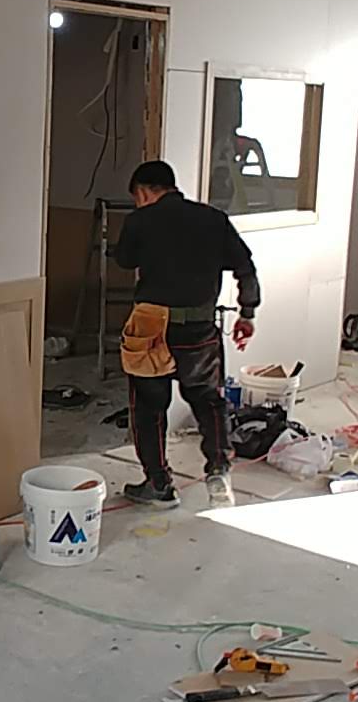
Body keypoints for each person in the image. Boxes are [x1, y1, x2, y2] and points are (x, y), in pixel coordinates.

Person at [110, 159, 260, 507]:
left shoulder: (140, 220)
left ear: (143, 192)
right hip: (199, 330)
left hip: (151, 329)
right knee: (209, 401)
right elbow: (245, 268)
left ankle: (159, 484)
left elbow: (124, 260)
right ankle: (218, 470)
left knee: (149, 407)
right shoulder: (213, 219)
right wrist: (247, 313)